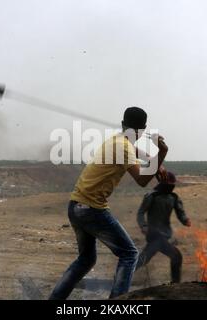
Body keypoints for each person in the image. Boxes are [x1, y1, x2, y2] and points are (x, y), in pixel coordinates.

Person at [49, 107, 169, 299]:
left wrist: (156, 161)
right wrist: (162, 152)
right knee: (129, 254)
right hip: (91, 209)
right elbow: (142, 180)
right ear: (144, 129)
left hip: (75, 205)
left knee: (87, 259)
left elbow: (137, 152)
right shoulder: (123, 146)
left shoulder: (116, 140)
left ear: (122, 124)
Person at [135, 172, 191, 283]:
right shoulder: (152, 196)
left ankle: (123, 274)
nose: (171, 186)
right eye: (169, 184)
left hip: (164, 234)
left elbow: (180, 212)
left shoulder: (173, 197)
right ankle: (176, 284)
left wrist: (185, 220)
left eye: (172, 184)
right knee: (176, 256)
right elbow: (140, 213)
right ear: (163, 183)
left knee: (144, 258)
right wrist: (143, 226)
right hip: (154, 234)